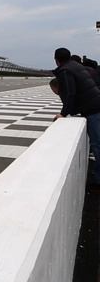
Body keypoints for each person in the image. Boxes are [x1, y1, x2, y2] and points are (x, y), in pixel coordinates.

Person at [53, 48, 100, 187]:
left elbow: (70, 93)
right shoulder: (76, 66)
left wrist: (63, 113)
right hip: (95, 106)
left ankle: (98, 180)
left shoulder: (65, 70)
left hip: (93, 110)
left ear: (56, 60)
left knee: (98, 145)